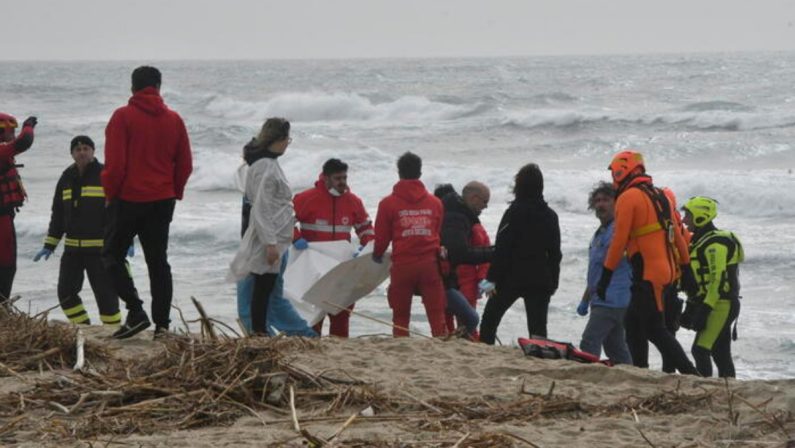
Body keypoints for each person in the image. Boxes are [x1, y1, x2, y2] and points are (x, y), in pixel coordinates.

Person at [102, 66, 193, 339]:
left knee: (111, 255)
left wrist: (110, 194)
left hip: (129, 199)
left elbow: (115, 166)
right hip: (162, 200)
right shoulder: (174, 119)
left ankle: (136, 311)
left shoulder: (122, 117)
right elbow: (185, 164)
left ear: (133, 88)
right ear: (159, 87)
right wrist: (173, 192)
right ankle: (162, 325)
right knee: (158, 262)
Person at [597, 150, 697, 375]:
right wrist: (686, 268)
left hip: (649, 273)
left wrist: (605, 277)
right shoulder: (660, 194)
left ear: (622, 171)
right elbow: (678, 234)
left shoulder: (628, 197)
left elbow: (619, 241)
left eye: (614, 173)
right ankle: (640, 372)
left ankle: (691, 373)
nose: (614, 178)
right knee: (632, 324)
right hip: (667, 270)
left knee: (654, 329)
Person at [33, 136, 121, 326]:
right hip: (72, 250)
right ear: (72, 153)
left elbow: (119, 210)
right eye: (78, 149)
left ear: (93, 151)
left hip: (101, 249)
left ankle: (112, 331)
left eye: (86, 148)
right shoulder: (66, 177)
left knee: (106, 294)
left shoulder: (106, 174)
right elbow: (58, 214)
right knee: (65, 293)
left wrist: (125, 239)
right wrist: (50, 244)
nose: (82, 152)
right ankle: (84, 327)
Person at [479, 163, 561, 344]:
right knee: (538, 331)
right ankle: (538, 360)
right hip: (540, 278)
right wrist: (553, 281)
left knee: (490, 321)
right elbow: (555, 253)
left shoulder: (513, 212)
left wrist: (491, 279)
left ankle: (486, 352)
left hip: (511, 277)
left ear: (519, 187)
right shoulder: (550, 215)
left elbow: (502, 248)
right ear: (541, 187)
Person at [293, 158, 375, 337]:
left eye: (345, 178)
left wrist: (367, 244)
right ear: (326, 178)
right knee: (314, 311)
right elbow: (284, 220)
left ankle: (339, 346)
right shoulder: (306, 198)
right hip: (313, 267)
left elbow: (365, 227)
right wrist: (295, 237)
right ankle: (313, 344)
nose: (342, 183)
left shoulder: (353, 201)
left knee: (341, 311)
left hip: (341, 267)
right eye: (338, 178)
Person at [228, 118, 294, 336]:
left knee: (264, 288)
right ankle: (259, 332)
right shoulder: (265, 166)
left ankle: (260, 331)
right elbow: (262, 207)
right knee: (263, 288)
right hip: (268, 237)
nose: (287, 144)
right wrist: (270, 243)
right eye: (287, 139)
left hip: (274, 235)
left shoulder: (266, 163)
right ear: (279, 139)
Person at [234, 163, 316, 337]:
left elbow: (268, 219)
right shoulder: (258, 188)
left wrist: (271, 245)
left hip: (265, 248)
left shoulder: (261, 190)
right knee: (271, 301)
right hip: (268, 247)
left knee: (254, 304)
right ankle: (303, 335)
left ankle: (272, 337)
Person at [372, 152, 447, 337]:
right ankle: (441, 342)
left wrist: (377, 254)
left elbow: (381, 237)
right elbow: (437, 232)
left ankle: (401, 344)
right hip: (430, 264)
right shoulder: (435, 203)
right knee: (437, 314)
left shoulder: (387, 204)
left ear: (399, 173)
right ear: (420, 173)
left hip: (403, 265)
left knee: (400, 316)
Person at [680, 196, 743, 378]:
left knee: (700, 350)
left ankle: (704, 388)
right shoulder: (700, 240)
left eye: (688, 216)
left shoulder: (716, 244)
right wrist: (692, 306)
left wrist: (705, 310)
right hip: (713, 303)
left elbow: (716, 280)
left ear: (701, 217)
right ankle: (729, 388)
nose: (684, 220)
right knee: (720, 352)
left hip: (721, 305)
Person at [576, 182, 632, 364]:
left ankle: (588, 376)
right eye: (597, 201)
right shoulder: (599, 233)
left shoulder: (619, 230)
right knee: (615, 346)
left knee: (589, 341)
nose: (600, 204)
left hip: (613, 298)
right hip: (600, 298)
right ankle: (630, 375)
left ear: (617, 203)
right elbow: (596, 271)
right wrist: (585, 300)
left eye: (606, 200)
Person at [437, 181, 494, 337]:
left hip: (456, 279)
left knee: (448, 320)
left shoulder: (466, 223)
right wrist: (485, 283)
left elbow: (483, 257)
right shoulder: (467, 222)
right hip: (460, 280)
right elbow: (485, 257)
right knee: (462, 322)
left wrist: (485, 283)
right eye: (484, 202)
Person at [0, 113, 36, 302]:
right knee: (6, 264)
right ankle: (2, 303)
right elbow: (24, 141)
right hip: (1, 218)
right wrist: (28, 125)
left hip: (5, 216)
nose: (13, 135)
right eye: (10, 131)